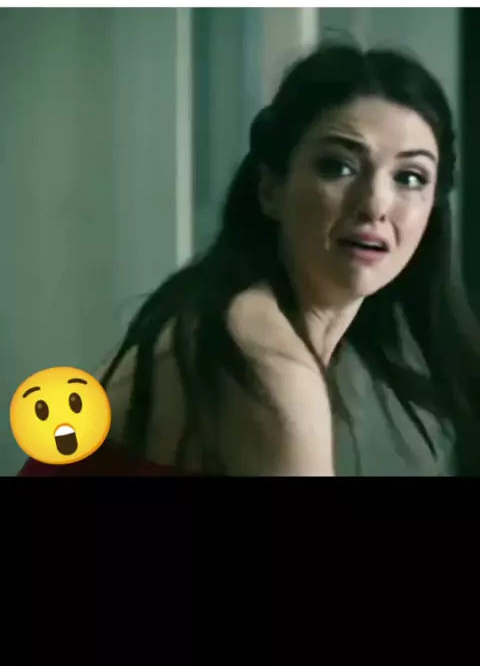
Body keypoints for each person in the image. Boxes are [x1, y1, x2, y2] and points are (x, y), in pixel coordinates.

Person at [19, 43, 480, 477]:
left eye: (410, 177)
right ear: (271, 190)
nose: (376, 203)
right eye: (339, 166)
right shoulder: (263, 360)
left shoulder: (235, 309)